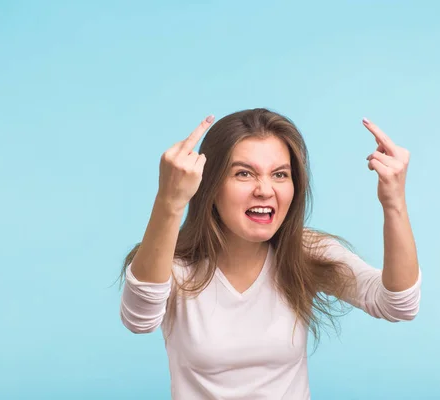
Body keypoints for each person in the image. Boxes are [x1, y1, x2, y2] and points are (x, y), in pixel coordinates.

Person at [118, 108, 421, 399]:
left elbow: (398, 305)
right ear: (210, 184)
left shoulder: (304, 251)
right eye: (243, 174)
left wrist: (394, 202)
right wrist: (170, 200)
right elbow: (139, 318)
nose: (264, 189)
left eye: (279, 174)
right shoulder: (172, 265)